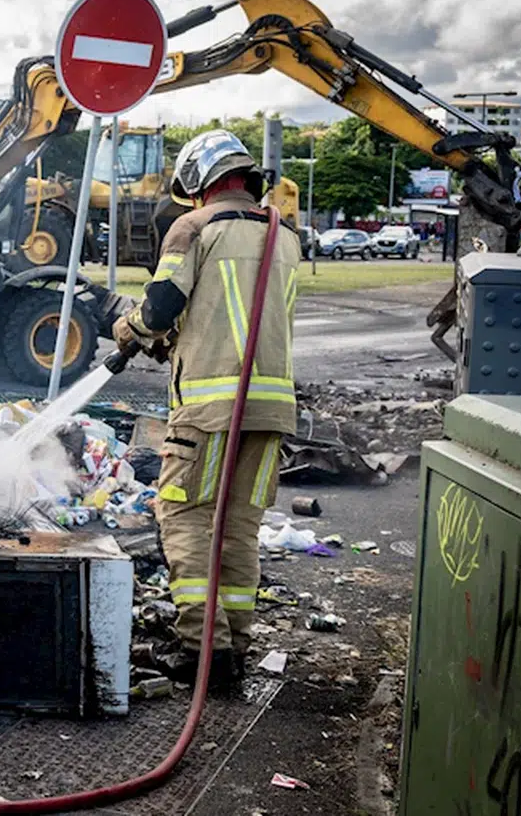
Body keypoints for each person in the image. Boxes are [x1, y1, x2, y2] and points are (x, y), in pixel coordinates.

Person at [113, 129, 300, 690]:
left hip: (211, 407)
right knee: (239, 527)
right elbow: (233, 309)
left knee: (184, 517)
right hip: (273, 408)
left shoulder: (193, 226)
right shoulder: (284, 235)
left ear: (197, 184)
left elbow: (161, 306)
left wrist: (130, 329)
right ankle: (233, 650)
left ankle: (201, 649)